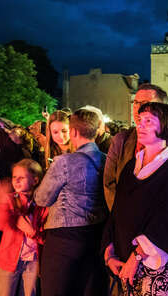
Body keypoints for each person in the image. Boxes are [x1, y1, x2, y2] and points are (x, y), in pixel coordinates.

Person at [102, 102, 168, 296]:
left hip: (159, 269)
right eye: (139, 120)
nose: (140, 125)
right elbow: (117, 212)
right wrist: (109, 250)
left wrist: (136, 256)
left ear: (165, 126)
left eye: (148, 121)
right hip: (125, 262)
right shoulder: (130, 167)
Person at [34, 108, 107, 296]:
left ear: (73, 132)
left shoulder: (64, 162)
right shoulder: (107, 160)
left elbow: (42, 199)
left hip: (64, 236)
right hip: (96, 234)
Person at [103, 83, 168, 210]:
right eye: (135, 102)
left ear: (163, 109)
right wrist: (121, 214)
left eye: (145, 103)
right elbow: (109, 183)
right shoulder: (121, 140)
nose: (138, 108)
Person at [0, 159, 47, 296]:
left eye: (21, 177)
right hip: (9, 259)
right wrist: (0, 203)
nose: (16, 181)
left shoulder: (42, 204)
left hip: (33, 261)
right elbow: (0, 224)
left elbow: (45, 237)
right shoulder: (9, 199)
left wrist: (33, 233)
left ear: (35, 180)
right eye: (14, 177)